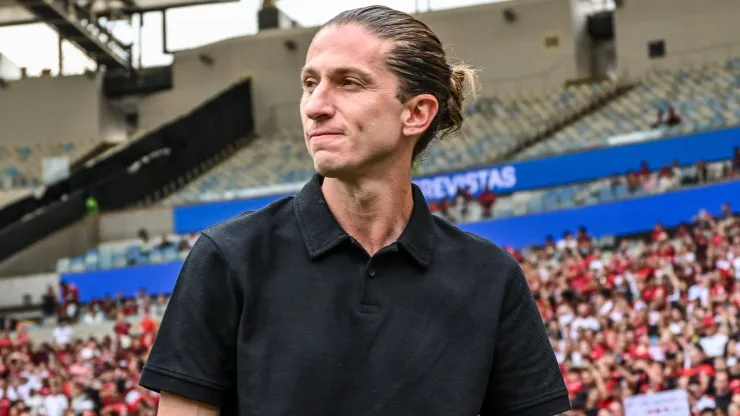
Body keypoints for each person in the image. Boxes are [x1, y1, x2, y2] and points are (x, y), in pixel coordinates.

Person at [139, 5, 570, 416]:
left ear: (417, 113)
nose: (315, 105)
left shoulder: (490, 277)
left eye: (348, 82)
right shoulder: (229, 256)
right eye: (310, 83)